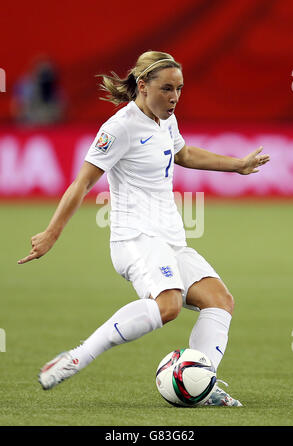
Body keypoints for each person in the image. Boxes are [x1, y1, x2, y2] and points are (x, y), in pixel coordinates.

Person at [18, 51, 270, 406]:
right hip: (135, 239)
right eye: (167, 88)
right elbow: (82, 183)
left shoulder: (166, 119)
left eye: (179, 89)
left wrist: (237, 165)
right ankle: (77, 357)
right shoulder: (119, 128)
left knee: (220, 301)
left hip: (170, 240)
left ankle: (200, 383)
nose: (174, 97)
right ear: (142, 86)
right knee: (168, 304)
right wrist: (51, 233)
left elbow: (182, 154)